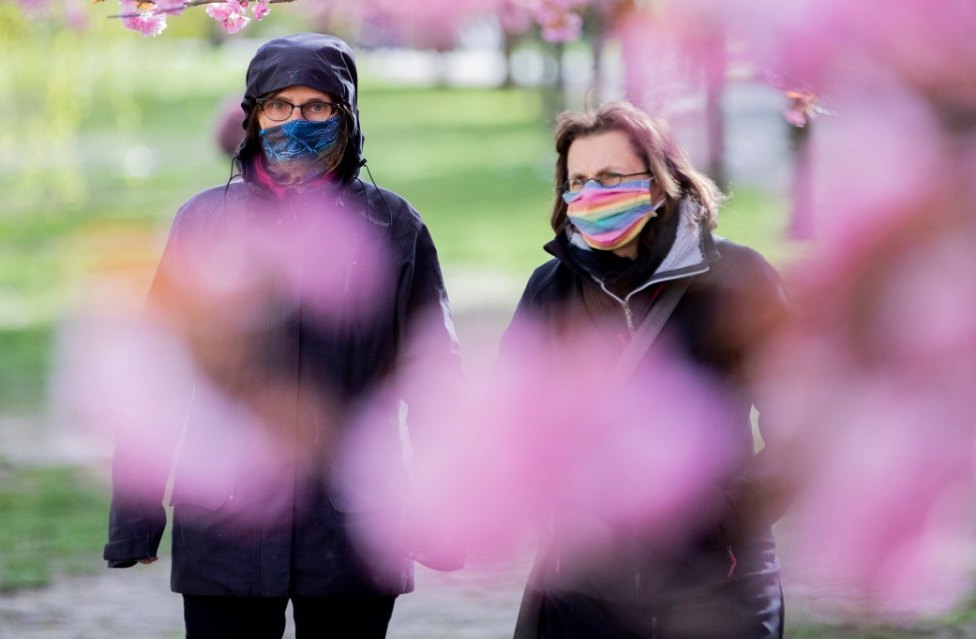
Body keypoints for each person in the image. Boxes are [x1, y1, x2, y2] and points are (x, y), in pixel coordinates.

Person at [103, 33, 460, 639]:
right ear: (253, 116)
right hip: (226, 526)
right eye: (279, 106)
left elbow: (433, 379)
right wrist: (134, 522)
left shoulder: (393, 225)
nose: (297, 121)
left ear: (346, 118)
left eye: (317, 106)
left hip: (356, 527)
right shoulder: (204, 222)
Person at [508, 102, 787, 639]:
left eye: (611, 178)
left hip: (717, 579)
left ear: (659, 184)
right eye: (578, 181)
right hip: (582, 582)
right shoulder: (550, 289)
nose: (591, 195)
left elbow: (802, 423)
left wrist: (724, 519)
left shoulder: (739, 280)